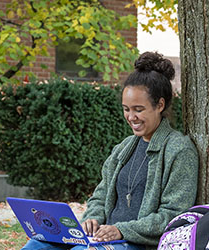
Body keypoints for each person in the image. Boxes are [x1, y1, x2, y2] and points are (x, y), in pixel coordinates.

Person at [21, 52, 199, 250]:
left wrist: (121, 230)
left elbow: (173, 215)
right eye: (126, 109)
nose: (131, 117)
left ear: (160, 105)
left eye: (138, 109)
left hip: (137, 243)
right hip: (104, 238)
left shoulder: (179, 150)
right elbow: (100, 195)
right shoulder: (123, 148)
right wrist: (93, 219)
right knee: (37, 245)